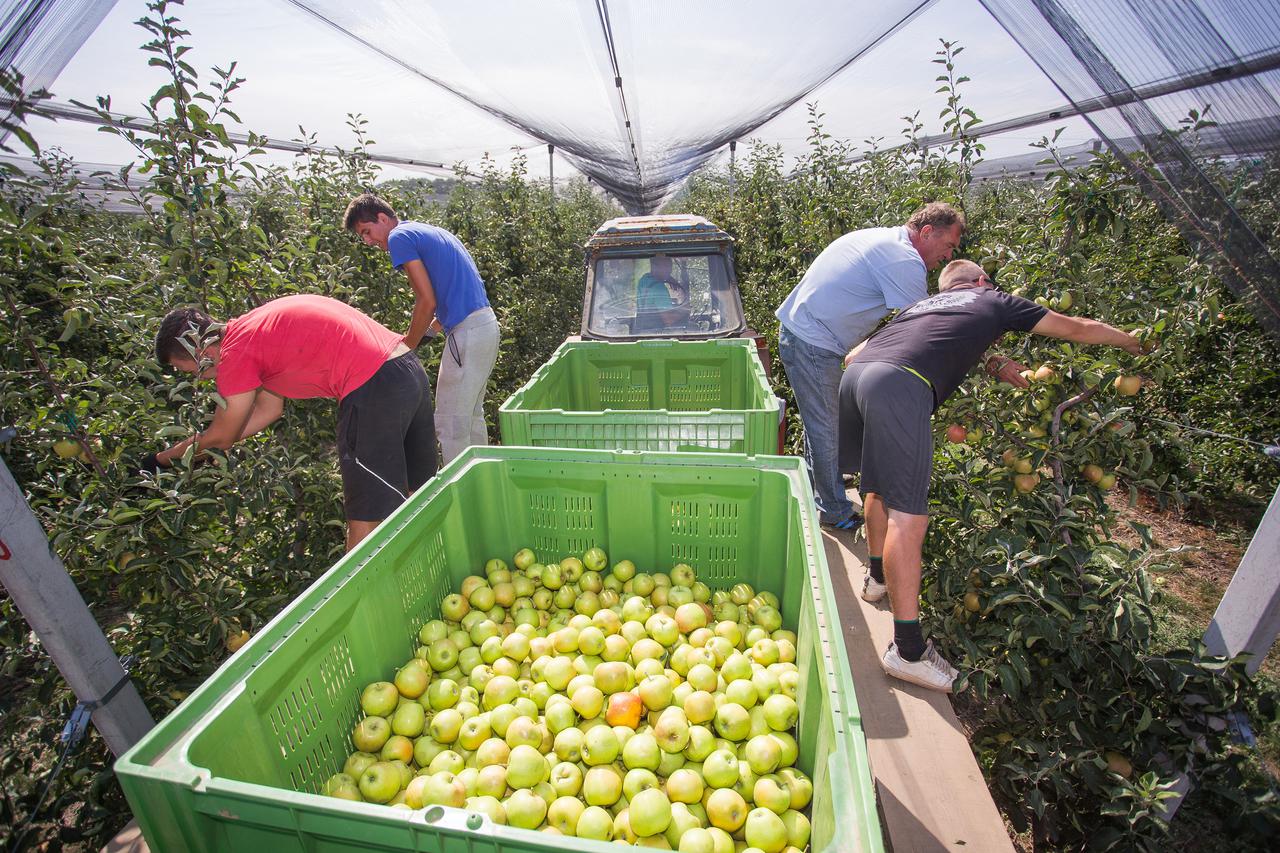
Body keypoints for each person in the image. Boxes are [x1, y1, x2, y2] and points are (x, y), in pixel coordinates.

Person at [838, 259, 1143, 691]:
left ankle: (877, 579)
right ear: (982, 281)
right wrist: (1130, 341)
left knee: (877, 486)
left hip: (857, 376)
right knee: (910, 516)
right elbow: (1075, 327)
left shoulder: (921, 307)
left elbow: (856, 352)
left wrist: (985, 357)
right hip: (898, 384)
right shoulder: (990, 298)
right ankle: (907, 651)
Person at [144, 294, 437, 552]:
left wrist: (160, 460)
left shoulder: (235, 354)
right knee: (418, 492)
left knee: (365, 517)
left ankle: (361, 606)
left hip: (373, 384)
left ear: (202, 353)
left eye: (186, 369)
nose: (192, 378)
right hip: (405, 367)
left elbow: (221, 436)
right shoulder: (254, 329)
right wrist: (207, 448)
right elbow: (268, 409)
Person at [776, 202, 965, 531]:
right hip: (812, 340)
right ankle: (834, 510)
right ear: (926, 232)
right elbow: (922, 327)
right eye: (948, 245)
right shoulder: (903, 260)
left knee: (822, 421)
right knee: (826, 428)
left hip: (805, 333)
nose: (948, 257)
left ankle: (815, 486)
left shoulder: (886, 240)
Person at [343, 193, 499, 464]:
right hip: (484, 326)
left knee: (450, 424)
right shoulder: (432, 231)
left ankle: (463, 497)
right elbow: (455, 295)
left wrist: (406, 348)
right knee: (470, 417)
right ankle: (484, 485)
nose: (368, 241)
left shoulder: (399, 238)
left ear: (382, 218)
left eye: (367, 232)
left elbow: (426, 300)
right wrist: (429, 332)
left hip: (468, 334)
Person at [635, 255, 689, 330]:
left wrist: (667, 278)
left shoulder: (644, 279)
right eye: (666, 266)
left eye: (670, 266)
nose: (670, 270)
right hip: (658, 335)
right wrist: (684, 310)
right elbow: (669, 320)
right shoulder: (659, 288)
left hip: (643, 331)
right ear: (655, 267)